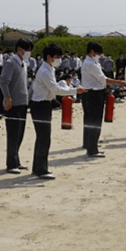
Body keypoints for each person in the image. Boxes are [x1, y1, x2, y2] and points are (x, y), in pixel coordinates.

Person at [29, 44, 84, 179]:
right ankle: (41, 169)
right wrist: (75, 91)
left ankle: (38, 167)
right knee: (44, 138)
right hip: (39, 105)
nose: (58, 60)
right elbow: (56, 90)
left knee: (43, 138)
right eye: (56, 57)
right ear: (49, 57)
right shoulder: (45, 71)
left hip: (45, 104)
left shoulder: (49, 69)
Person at [81, 42, 126, 158]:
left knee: (92, 120)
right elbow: (103, 78)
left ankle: (91, 145)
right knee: (95, 121)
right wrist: (118, 82)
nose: (99, 55)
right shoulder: (90, 64)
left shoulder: (92, 62)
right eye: (98, 53)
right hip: (93, 94)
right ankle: (92, 149)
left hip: (95, 92)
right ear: (92, 52)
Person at [0, 38, 33, 174]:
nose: (29, 53)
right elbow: (4, 81)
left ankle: (16, 160)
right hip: (13, 104)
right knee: (13, 134)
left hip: (23, 103)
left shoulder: (23, 64)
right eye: (27, 50)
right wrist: (8, 98)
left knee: (20, 134)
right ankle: (11, 164)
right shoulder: (11, 63)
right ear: (19, 49)